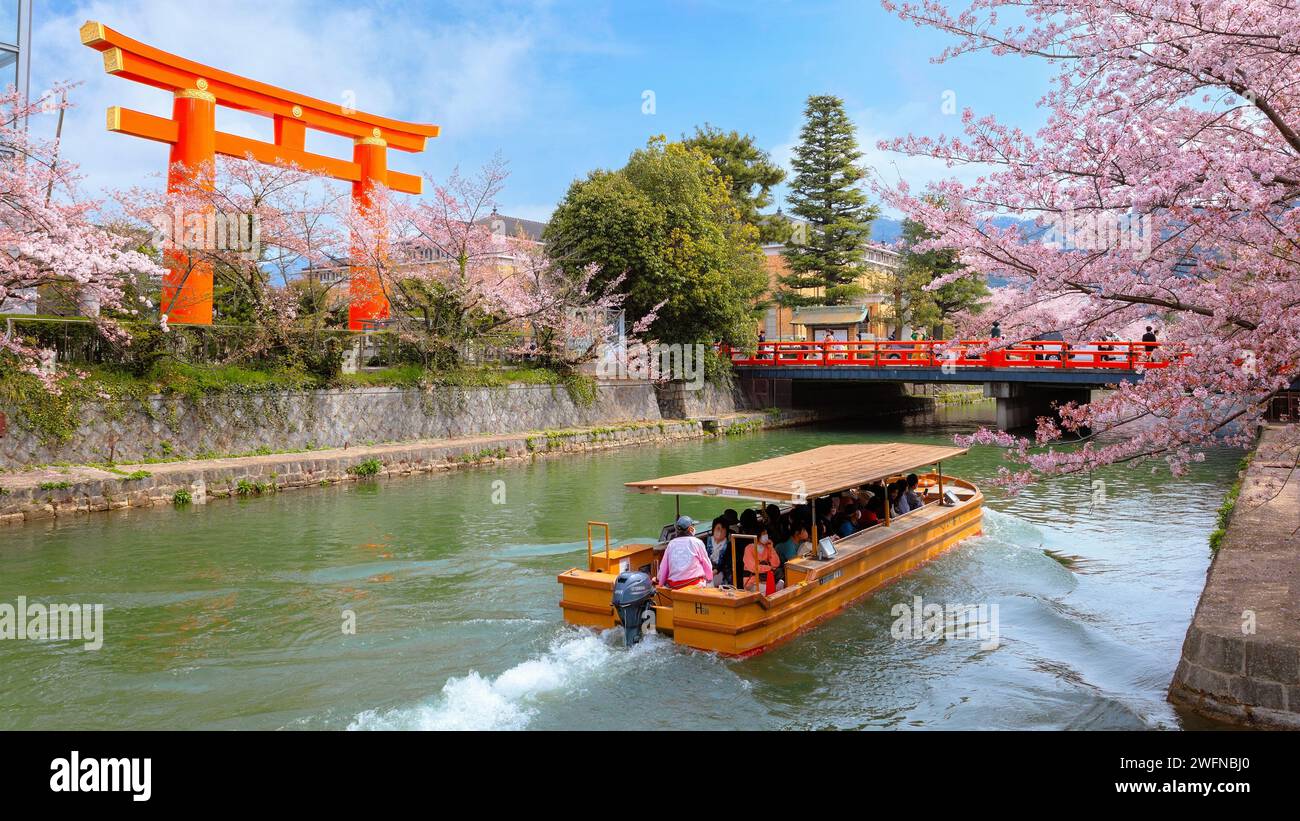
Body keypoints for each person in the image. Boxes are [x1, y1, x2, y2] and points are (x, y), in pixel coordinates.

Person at [657, 516, 713, 589]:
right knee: (710, 584)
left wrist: (660, 583)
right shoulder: (697, 542)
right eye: (693, 526)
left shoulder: (671, 544)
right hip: (694, 584)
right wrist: (709, 578)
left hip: (675, 585)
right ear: (690, 529)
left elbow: (664, 567)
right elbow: (706, 563)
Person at [742, 525, 782, 594]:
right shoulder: (749, 548)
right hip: (752, 581)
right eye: (763, 534)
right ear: (757, 535)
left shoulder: (767, 547)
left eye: (766, 533)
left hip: (766, 579)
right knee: (768, 589)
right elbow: (754, 567)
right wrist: (769, 568)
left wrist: (771, 548)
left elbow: (776, 564)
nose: (766, 536)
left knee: (781, 583)